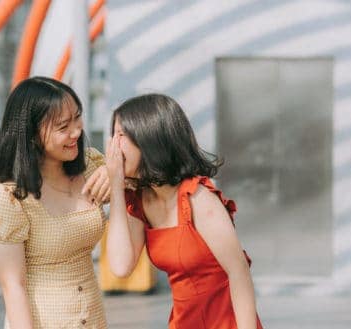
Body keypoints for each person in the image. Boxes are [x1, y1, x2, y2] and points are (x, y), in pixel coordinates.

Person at [104, 93, 263, 329]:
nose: (112, 146)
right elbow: (120, 266)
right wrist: (116, 187)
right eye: (112, 135)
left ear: (149, 139)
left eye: (121, 135)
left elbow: (238, 274)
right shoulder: (140, 200)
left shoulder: (199, 199)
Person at [0, 76, 110, 328]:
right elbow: (12, 285)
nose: (76, 131)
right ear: (32, 135)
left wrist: (118, 173)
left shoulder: (91, 168)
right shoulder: (8, 197)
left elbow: (147, 183)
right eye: (63, 126)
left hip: (93, 320)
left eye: (77, 118)